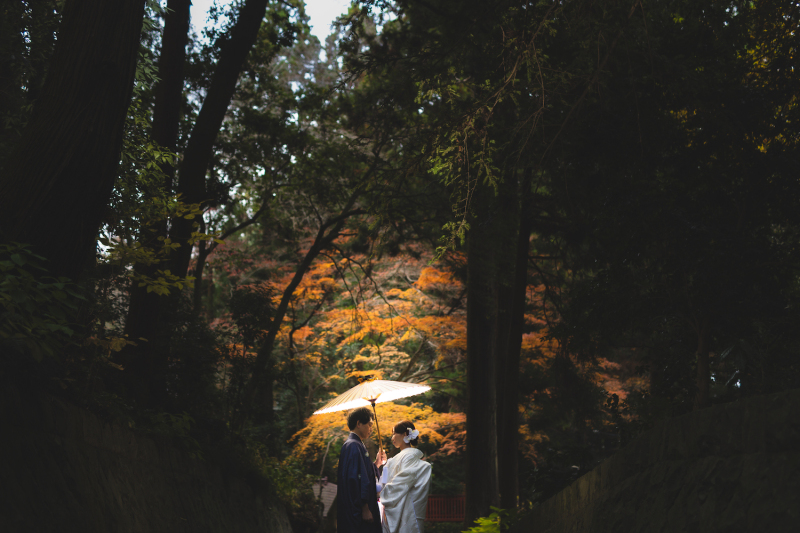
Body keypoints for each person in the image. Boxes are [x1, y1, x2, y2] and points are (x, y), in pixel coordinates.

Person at [337, 407, 387, 533]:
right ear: (359, 424)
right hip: (358, 509)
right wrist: (364, 507)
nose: (371, 429)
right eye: (369, 425)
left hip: (360, 506)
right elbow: (353, 479)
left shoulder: (355, 444)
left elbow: (364, 473)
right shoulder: (353, 445)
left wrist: (377, 464)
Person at [377, 421, 432, 533]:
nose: (392, 437)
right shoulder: (396, 459)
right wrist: (384, 465)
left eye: (394, 433)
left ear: (405, 434)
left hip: (406, 511)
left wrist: (382, 493)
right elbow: (383, 481)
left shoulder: (409, 456)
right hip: (394, 509)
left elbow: (401, 483)